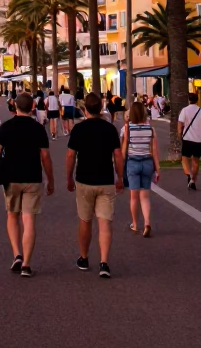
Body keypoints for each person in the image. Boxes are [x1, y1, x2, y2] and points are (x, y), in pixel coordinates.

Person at [0, 91, 53, 278]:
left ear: (15, 107)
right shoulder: (38, 128)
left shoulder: (6, 127)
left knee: (12, 215)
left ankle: (17, 253)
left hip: (11, 177)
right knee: (29, 220)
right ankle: (26, 264)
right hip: (33, 177)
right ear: (32, 106)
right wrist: (51, 180)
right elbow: (46, 157)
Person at [66, 93, 123, 278]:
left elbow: (70, 155)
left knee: (85, 220)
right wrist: (120, 177)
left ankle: (84, 257)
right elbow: (118, 155)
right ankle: (104, 263)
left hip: (84, 180)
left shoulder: (78, 129)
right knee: (105, 222)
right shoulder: (110, 129)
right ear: (101, 108)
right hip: (105, 180)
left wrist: (68, 177)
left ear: (85, 109)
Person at [121, 99, 160, 237]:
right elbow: (154, 150)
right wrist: (158, 168)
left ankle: (135, 224)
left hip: (133, 163)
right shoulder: (150, 129)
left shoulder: (128, 128)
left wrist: (120, 166)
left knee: (134, 197)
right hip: (147, 163)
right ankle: (147, 223)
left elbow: (124, 147)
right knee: (145, 196)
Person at [178, 92, 201, 190]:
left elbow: (180, 123)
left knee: (184, 158)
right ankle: (193, 180)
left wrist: (179, 134)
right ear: (197, 100)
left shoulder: (184, 110)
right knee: (196, 161)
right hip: (198, 140)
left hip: (187, 138)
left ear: (189, 100)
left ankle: (188, 175)